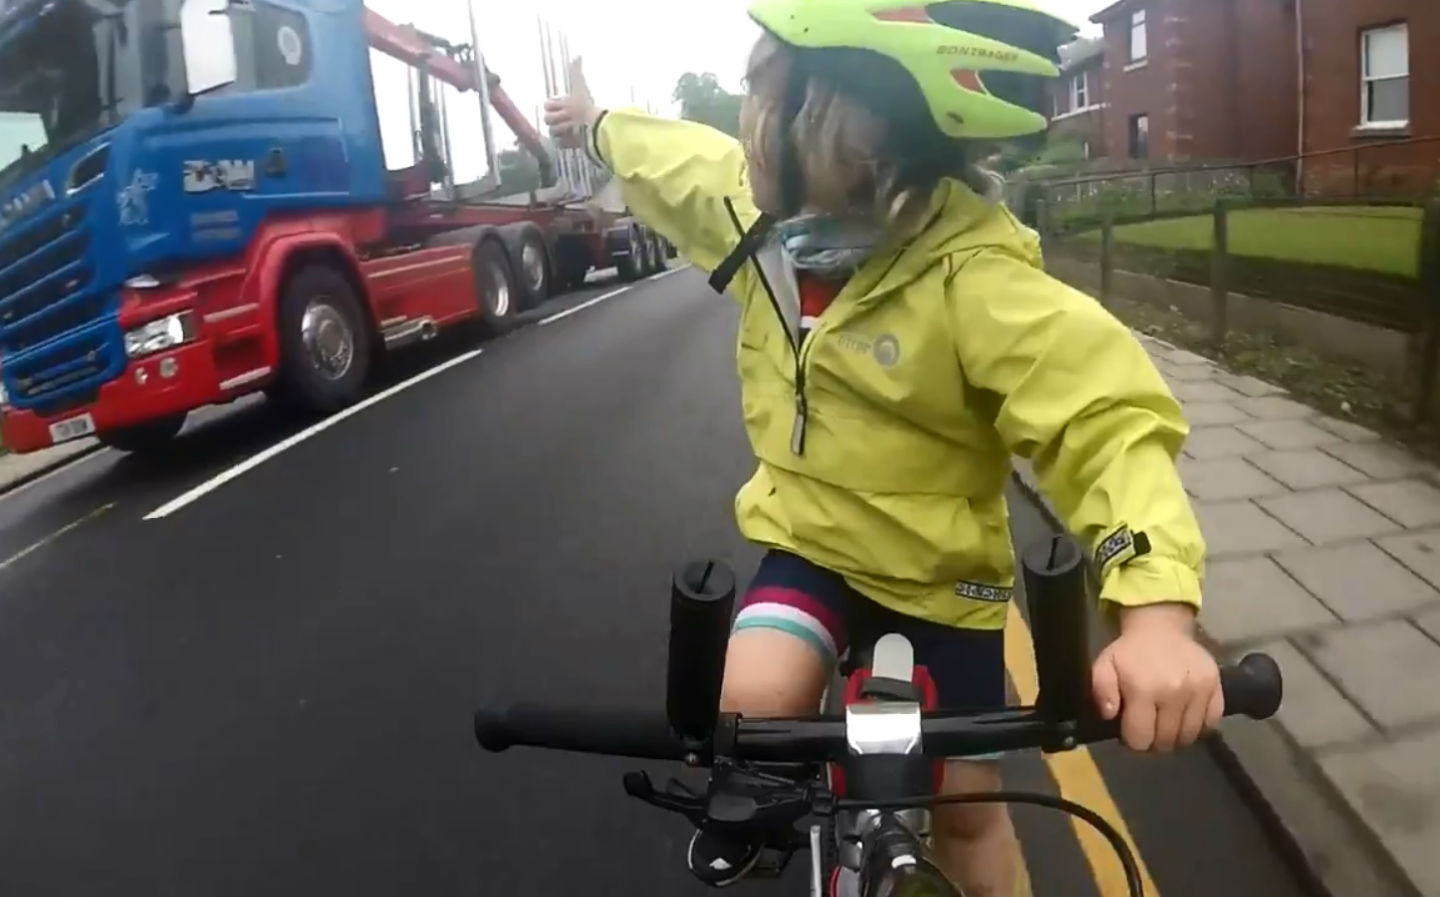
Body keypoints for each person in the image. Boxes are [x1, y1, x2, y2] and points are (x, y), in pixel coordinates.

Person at [545, 1, 1218, 894]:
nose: (740, 129)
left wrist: (1158, 616)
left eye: (762, 101)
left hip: (945, 580)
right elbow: (671, 160)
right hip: (812, 540)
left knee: (969, 812)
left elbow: (1104, 420)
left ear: (847, 138)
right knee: (749, 700)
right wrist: (593, 125)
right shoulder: (759, 226)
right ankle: (777, 807)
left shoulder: (972, 280)